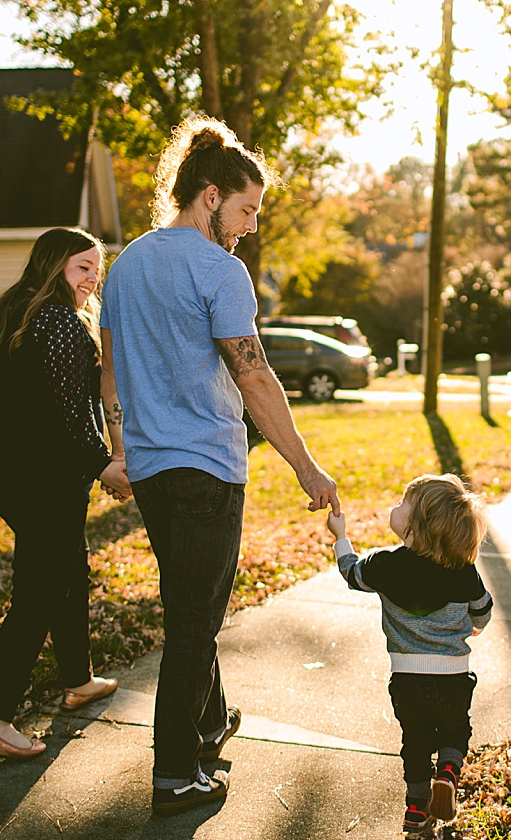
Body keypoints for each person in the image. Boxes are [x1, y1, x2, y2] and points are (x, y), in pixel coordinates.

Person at [99, 118, 340, 814]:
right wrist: (306, 466)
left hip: (148, 470)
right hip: (206, 469)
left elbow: (110, 375)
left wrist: (119, 454)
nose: (250, 225)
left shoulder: (128, 264)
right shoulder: (218, 270)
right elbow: (256, 380)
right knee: (193, 624)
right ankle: (176, 774)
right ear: (210, 197)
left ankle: (210, 721)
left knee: (187, 606)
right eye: (246, 209)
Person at [0, 227, 132, 759]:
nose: (93, 277)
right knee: (40, 587)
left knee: (68, 567)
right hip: (40, 475)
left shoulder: (15, 310)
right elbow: (69, 413)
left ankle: (77, 678)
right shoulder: (60, 320)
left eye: (97, 268)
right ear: (54, 265)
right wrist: (105, 464)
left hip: (4, 466)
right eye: (82, 266)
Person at [326, 474, 494, 836]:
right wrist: (476, 623)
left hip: (406, 678)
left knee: (414, 742)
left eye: (404, 505)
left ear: (417, 527)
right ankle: (448, 771)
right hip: (452, 674)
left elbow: (350, 574)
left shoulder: (383, 566)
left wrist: (340, 537)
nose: (395, 507)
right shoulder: (462, 571)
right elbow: (483, 609)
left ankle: (416, 810)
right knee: (455, 729)